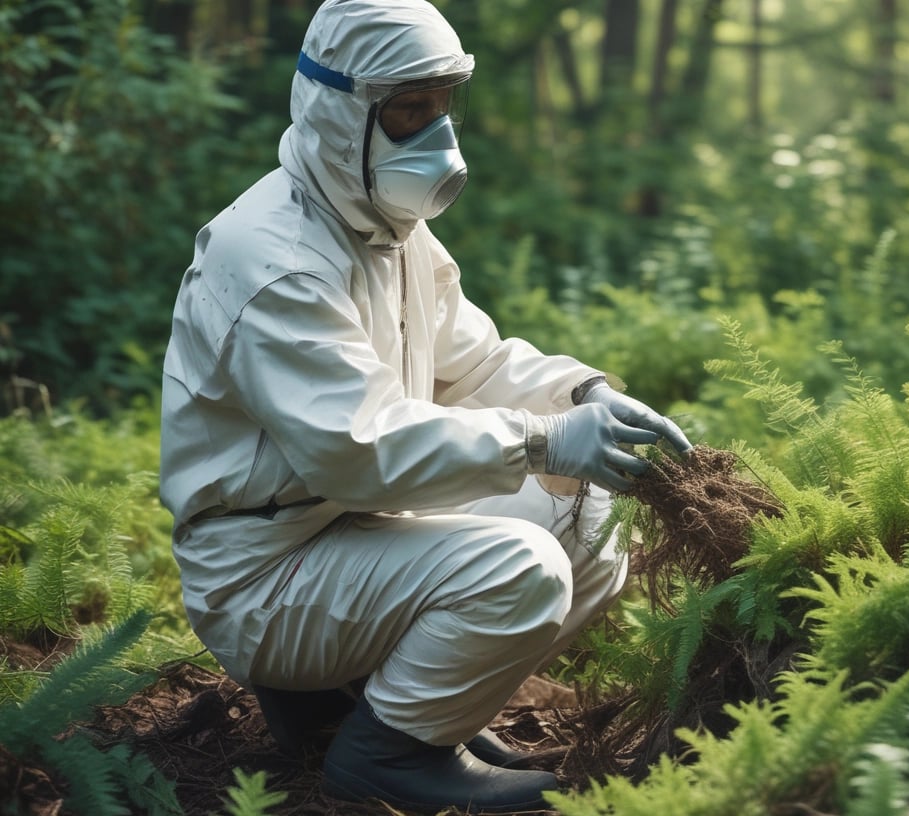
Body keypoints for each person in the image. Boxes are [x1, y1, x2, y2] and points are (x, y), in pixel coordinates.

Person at [159, 0, 692, 812]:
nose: (436, 137)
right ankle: (386, 754)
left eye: (442, 109)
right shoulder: (276, 260)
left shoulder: (389, 225)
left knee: (592, 520)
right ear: (341, 111)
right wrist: (548, 439)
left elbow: (472, 360)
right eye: (409, 112)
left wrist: (584, 394)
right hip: (265, 573)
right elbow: (360, 451)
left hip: (352, 531)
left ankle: (408, 710)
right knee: (520, 568)